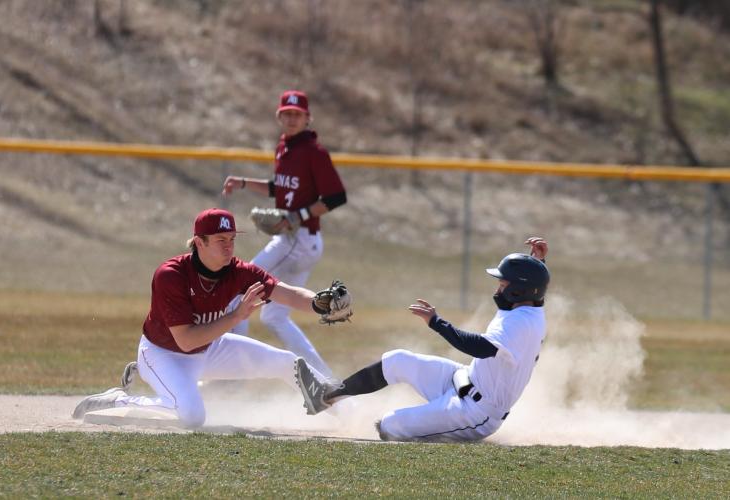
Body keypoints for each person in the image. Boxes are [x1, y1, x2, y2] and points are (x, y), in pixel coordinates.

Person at [72, 208, 350, 428]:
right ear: (198, 242)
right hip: (163, 354)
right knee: (192, 415)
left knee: (286, 363)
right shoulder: (171, 276)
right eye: (220, 240)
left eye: (231, 239)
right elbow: (186, 340)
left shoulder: (238, 271)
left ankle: (348, 412)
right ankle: (120, 400)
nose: (229, 247)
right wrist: (236, 316)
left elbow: (285, 294)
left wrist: (318, 303)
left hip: (210, 348)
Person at [295, 237, 550, 442]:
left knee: (389, 425)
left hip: (476, 414)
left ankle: (431, 430)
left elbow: (477, 347)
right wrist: (537, 263)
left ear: (519, 289)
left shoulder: (522, 323)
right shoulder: (526, 307)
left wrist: (436, 322)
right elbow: (531, 290)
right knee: (397, 361)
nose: (498, 288)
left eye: (503, 284)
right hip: (464, 379)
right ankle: (326, 396)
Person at [221, 90, 346, 378]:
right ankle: (328, 380)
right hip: (300, 243)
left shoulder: (314, 152)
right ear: (279, 116)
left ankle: (231, 376)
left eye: (297, 114)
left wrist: (298, 215)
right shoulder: (284, 148)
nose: (291, 119)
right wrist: (243, 182)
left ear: (307, 118)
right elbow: (280, 189)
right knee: (275, 316)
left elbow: (336, 196)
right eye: (286, 114)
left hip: (298, 240)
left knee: (238, 290)